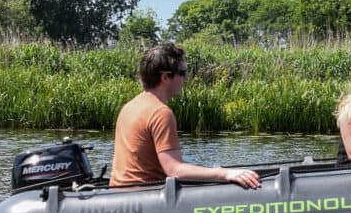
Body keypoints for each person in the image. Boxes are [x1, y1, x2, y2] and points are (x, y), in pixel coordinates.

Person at [110, 42, 261, 189]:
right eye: (182, 73)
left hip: (119, 194)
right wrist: (225, 173)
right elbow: (174, 170)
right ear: (165, 78)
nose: (185, 79)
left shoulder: (129, 107)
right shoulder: (160, 113)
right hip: (144, 199)